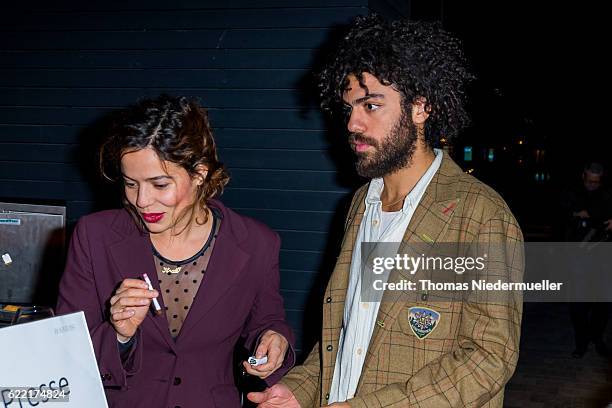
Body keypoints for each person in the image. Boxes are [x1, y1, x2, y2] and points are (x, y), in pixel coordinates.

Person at [248, 14, 523, 407]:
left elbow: (488, 360)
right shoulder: (361, 205)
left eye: (371, 105)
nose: (353, 124)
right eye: (348, 109)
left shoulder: (479, 215)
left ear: (420, 108)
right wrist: (301, 387)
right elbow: (349, 337)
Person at [56, 95, 295, 407]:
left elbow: (268, 319)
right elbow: (65, 353)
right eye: (130, 184)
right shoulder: (94, 236)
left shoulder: (256, 242)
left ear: (199, 174)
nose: (141, 201)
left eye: (159, 184)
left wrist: (274, 339)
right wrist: (119, 335)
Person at [560, 162, 612, 358]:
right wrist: (586, 214)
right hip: (577, 256)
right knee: (578, 304)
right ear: (583, 176)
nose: (592, 185)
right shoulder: (571, 190)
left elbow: (598, 211)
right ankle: (581, 342)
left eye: (596, 182)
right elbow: (564, 212)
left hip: (603, 256)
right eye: (589, 181)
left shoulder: (607, 192)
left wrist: (591, 214)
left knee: (602, 303)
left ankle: (597, 339)